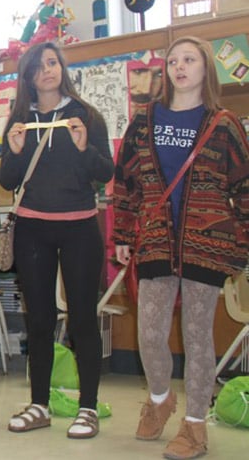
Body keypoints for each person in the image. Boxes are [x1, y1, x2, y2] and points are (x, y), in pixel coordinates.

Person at [113, 36, 249, 460]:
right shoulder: (145, 119)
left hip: (207, 242)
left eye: (189, 59)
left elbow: (245, 185)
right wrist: (122, 233)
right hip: (155, 239)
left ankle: (194, 426)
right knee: (150, 331)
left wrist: (242, 240)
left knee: (197, 334)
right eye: (173, 61)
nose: (180, 67)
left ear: (206, 67)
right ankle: (160, 399)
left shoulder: (223, 123)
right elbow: (126, 180)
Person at [0, 42, 113, 438]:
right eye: (38, 66)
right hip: (33, 229)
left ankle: (88, 408)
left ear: (62, 68)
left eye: (52, 63)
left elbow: (105, 172)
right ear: (28, 76)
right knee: (40, 319)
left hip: (80, 227)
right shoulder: (18, 119)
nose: (47, 70)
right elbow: (8, 180)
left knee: (82, 318)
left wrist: (84, 148)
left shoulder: (86, 115)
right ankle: (39, 405)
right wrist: (14, 152)